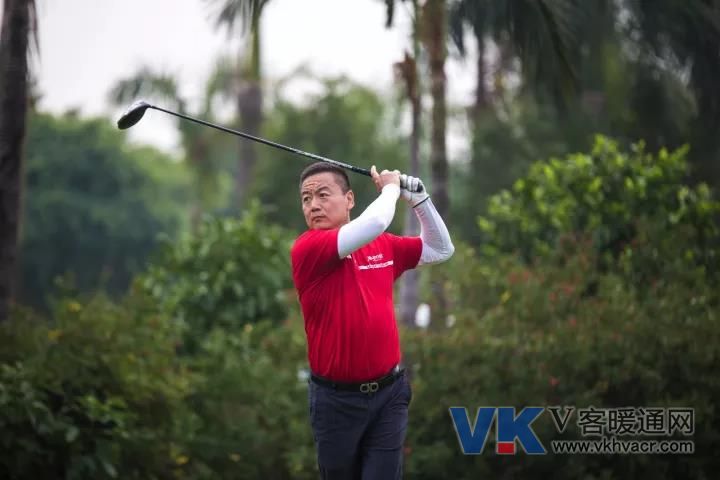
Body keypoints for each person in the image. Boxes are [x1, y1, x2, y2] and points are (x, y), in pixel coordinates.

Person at [291, 161, 454, 479]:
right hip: (336, 402)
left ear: (349, 199)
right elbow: (376, 221)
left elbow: (440, 248)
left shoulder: (382, 245)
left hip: (388, 395)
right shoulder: (307, 248)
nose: (313, 205)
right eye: (306, 199)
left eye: (323, 195)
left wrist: (419, 199)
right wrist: (392, 188)